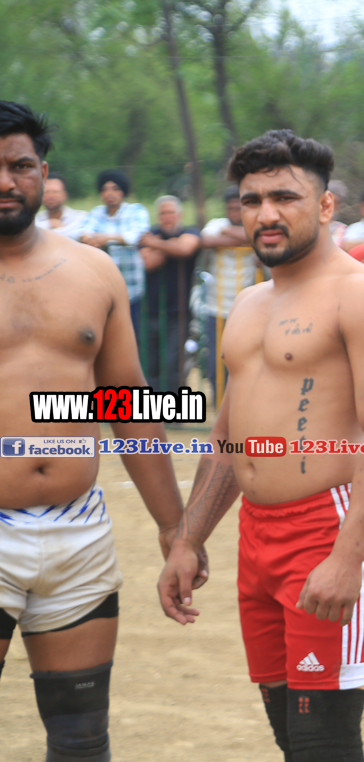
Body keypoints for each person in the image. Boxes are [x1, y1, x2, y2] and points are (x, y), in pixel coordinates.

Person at [157, 129, 364, 762]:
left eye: (284, 198)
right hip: (257, 533)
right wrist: (188, 538)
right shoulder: (247, 304)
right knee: (289, 730)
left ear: (325, 206)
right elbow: (226, 437)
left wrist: (348, 556)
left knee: (324, 738)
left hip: (328, 526)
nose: (265, 214)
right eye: (252, 200)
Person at [0, 99, 191, 762]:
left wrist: (175, 528)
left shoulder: (94, 271)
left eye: (21, 165)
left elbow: (129, 406)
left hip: (77, 534)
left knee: (82, 740)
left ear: (43, 173)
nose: (6, 181)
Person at [139, 195, 201, 394]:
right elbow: (149, 262)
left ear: (180, 214)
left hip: (178, 311)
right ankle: (153, 408)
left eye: (171, 213)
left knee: (173, 365)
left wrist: (157, 244)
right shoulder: (150, 233)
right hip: (150, 310)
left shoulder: (189, 231)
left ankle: (174, 408)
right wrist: (171, 245)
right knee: (151, 365)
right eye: (163, 213)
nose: (167, 217)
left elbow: (185, 248)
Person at [78, 169, 150, 337]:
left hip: (131, 287)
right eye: (105, 189)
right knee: (103, 335)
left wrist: (105, 239)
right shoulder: (96, 213)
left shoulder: (136, 211)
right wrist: (97, 239)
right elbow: (84, 234)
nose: (110, 193)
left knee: (130, 335)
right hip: (101, 288)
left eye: (115, 189)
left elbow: (136, 236)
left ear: (123, 192)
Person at [199, 185, 258, 385]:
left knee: (244, 362)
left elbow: (256, 238)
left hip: (247, 308)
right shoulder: (216, 223)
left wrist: (228, 234)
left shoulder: (254, 224)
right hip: (216, 306)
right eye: (230, 208)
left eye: (238, 208)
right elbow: (205, 240)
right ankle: (218, 402)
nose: (234, 212)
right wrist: (243, 239)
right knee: (215, 364)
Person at [34, 173, 87, 238]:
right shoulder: (36, 218)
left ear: (64, 195)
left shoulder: (79, 217)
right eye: (46, 192)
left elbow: (76, 234)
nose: (51, 196)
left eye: (55, 192)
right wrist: (50, 223)